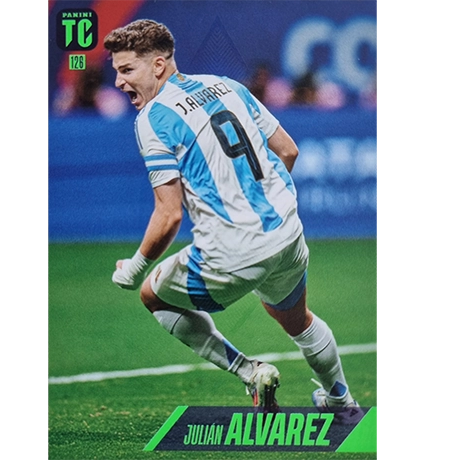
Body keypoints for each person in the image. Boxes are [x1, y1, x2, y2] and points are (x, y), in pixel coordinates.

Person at [104, 19, 361, 419]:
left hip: (232, 251)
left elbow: (169, 214)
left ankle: (250, 371)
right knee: (297, 320)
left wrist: (134, 269)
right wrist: (256, 202)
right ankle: (341, 400)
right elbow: (288, 151)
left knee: (153, 294)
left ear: (158, 65)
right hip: (286, 233)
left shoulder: (152, 118)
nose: (119, 82)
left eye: (126, 70)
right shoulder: (226, 85)